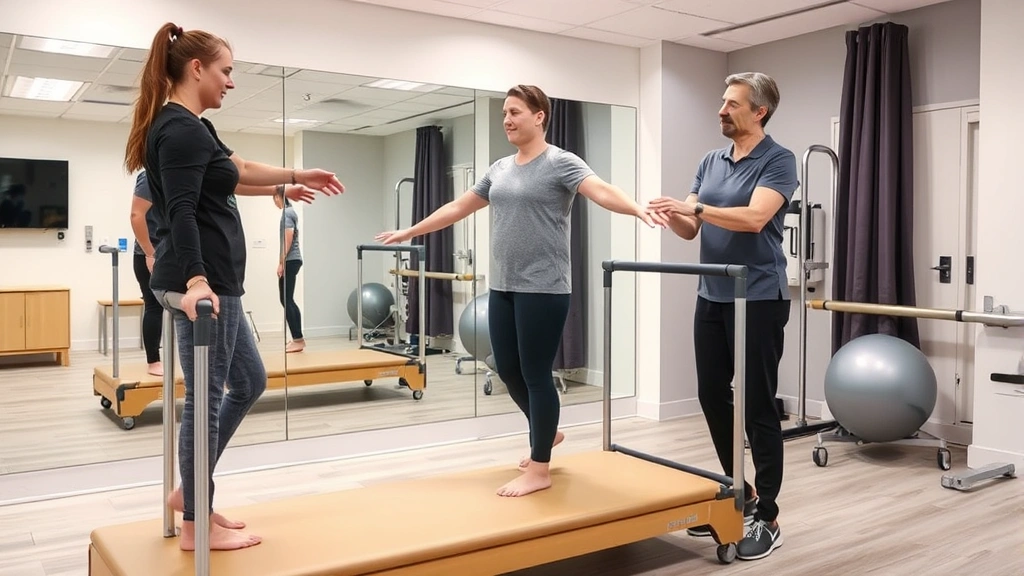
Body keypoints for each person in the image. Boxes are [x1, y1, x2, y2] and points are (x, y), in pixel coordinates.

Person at [122, 22, 343, 552]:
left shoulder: (194, 127)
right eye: (226, 71)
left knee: (248, 381)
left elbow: (233, 171)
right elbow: (176, 208)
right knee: (205, 399)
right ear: (196, 69)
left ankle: (192, 495)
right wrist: (197, 280)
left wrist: (294, 177)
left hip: (221, 283)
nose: (231, 82)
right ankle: (195, 524)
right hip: (206, 284)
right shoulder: (178, 129)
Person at [377, 84, 655, 498]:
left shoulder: (561, 162)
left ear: (539, 116)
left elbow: (601, 191)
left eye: (515, 112)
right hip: (503, 285)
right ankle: (547, 432)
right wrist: (410, 231)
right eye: (504, 113)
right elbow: (458, 207)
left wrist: (636, 208)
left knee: (536, 374)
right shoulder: (500, 168)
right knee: (506, 367)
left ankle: (539, 467)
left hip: (544, 288)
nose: (506, 119)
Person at [647, 72, 796, 561]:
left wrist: (699, 208)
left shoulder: (778, 160)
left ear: (759, 112)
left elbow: (755, 219)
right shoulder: (710, 160)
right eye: (722, 101)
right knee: (712, 394)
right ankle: (742, 493)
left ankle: (768, 513)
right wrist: (673, 213)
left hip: (757, 295)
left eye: (732, 103)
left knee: (756, 403)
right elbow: (693, 230)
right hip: (712, 292)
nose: (721, 110)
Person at [128, 170, 166, 376]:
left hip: (173, 251)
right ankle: (153, 361)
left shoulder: (175, 173)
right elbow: (136, 215)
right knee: (154, 306)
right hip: (149, 253)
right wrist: (150, 253)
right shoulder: (149, 176)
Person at [273, 187, 304, 353]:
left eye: (274, 198)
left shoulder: (287, 213)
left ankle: (298, 340)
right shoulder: (290, 212)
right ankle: (297, 339)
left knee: (287, 300)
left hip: (290, 260)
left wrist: (281, 262)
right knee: (287, 300)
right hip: (292, 260)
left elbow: (288, 237)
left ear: (279, 196)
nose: (274, 202)